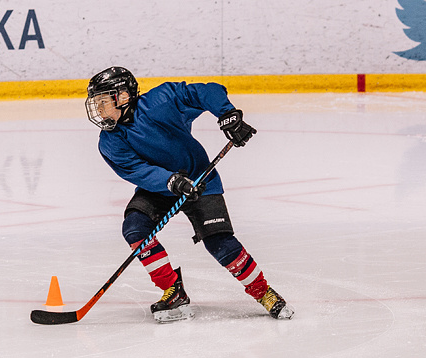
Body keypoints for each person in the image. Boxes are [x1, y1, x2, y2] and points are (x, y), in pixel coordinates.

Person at [85, 66, 294, 323]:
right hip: (160, 188)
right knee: (135, 228)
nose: (99, 109)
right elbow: (137, 170)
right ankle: (173, 291)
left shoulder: (161, 101)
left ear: (124, 96)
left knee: (220, 243)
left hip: (199, 179)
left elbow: (207, 92)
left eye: (103, 101)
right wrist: (170, 182)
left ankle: (264, 293)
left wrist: (228, 114)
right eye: (97, 102)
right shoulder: (110, 141)